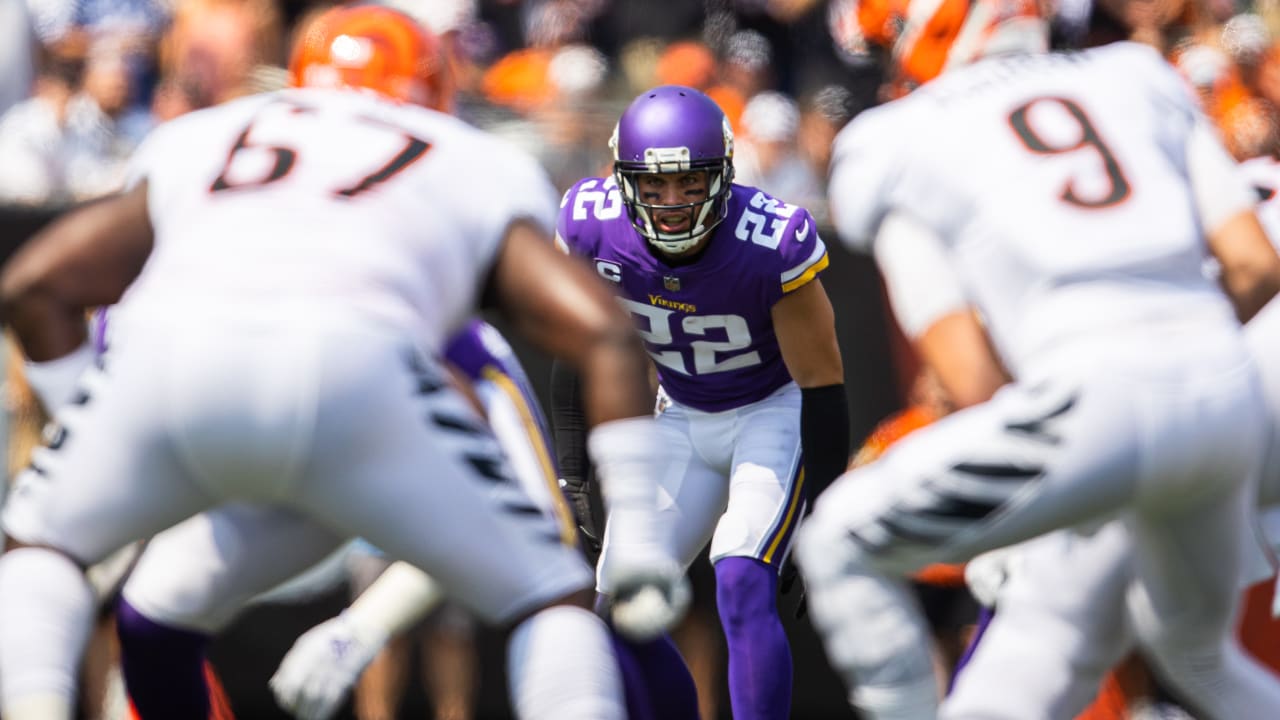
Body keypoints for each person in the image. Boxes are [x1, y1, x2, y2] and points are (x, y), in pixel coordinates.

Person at [0, 6, 687, 720]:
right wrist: (635, 533)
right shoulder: (467, 163)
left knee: (45, 550)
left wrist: (83, 446)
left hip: (183, 377)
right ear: (435, 96)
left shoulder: (201, 143)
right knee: (551, 599)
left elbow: (32, 285)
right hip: (363, 392)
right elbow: (599, 344)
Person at [792, 1, 1280, 719]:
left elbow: (974, 381)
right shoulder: (1134, 73)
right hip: (1227, 392)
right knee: (1182, 651)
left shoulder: (894, 141)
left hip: (1091, 407)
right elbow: (1253, 267)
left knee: (838, 543)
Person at [554, 83, 849, 720]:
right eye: (653, 186)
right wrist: (571, 467)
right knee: (621, 605)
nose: (672, 203)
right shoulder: (590, 222)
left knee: (740, 577)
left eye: (690, 183)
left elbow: (823, 380)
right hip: (683, 414)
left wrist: (824, 511)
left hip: (773, 410)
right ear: (622, 177)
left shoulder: (771, 240)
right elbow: (575, 350)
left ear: (723, 173)